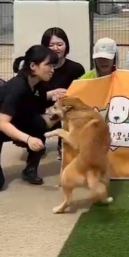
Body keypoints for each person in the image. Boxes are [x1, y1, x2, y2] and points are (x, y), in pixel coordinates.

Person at [0, 45, 59, 192]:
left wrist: (56, 94)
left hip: (0, 133)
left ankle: (30, 169)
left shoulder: (36, 83)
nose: (52, 69)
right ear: (33, 66)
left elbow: (38, 99)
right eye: (48, 65)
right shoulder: (17, 87)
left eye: (54, 65)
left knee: (40, 124)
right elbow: (2, 124)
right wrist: (28, 139)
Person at [40, 27, 85, 160]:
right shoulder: (39, 69)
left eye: (60, 44)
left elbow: (81, 94)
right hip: (43, 110)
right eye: (51, 45)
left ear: (66, 46)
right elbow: (30, 95)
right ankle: (36, 144)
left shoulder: (76, 68)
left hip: (66, 111)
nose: (56, 48)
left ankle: (65, 144)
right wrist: (50, 95)